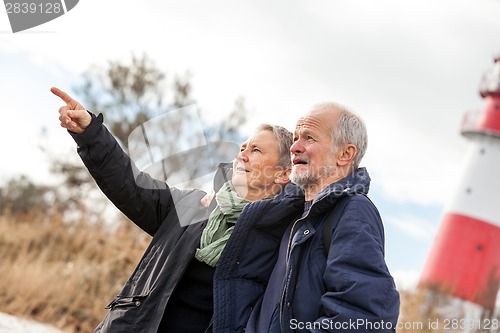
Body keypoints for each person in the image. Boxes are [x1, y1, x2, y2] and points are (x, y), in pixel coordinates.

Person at [51, 87, 301, 333]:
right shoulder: (193, 206)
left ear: (283, 173)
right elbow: (130, 185)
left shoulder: (285, 239)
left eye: (255, 150)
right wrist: (91, 134)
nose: (242, 155)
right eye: (242, 148)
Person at [211, 102, 400, 332]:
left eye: (309, 138)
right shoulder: (289, 213)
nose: (294, 148)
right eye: (295, 138)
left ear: (345, 154)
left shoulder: (353, 211)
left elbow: (361, 317)